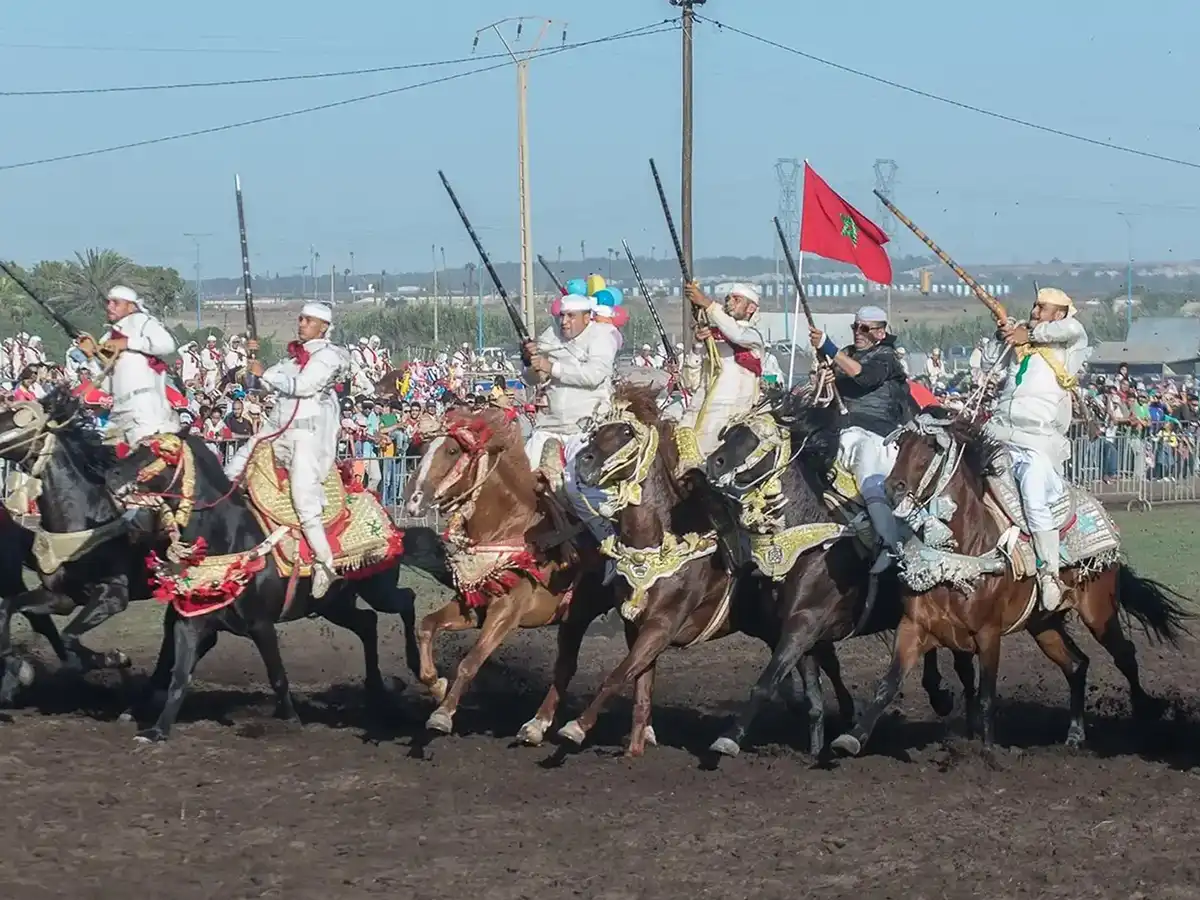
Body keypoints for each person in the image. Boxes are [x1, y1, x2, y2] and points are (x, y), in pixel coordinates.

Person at [228, 303, 350, 598]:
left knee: (302, 496)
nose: (302, 323)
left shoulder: (330, 356)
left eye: (308, 320)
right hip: (276, 427)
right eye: (301, 318)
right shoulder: (291, 359)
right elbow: (262, 382)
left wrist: (265, 375)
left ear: (323, 326)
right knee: (235, 466)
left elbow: (304, 386)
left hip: (308, 437)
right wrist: (251, 365)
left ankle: (325, 562)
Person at [981, 287, 1090, 611]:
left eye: (1042, 307)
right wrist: (1002, 334)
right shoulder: (1023, 344)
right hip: (998, 432)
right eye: (1034, 306)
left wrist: (1026, 331)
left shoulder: (1071, 341)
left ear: (1059, 313)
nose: (1035, 310)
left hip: (1039, 442)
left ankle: (1049, 575)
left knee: (1032, 489)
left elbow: (1071, 329)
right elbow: (990, 362)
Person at [808, 305, 916, 573]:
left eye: (865, 328)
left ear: (880, 332)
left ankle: (890, 545)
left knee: (868, 479)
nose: (858, 333)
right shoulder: (846, 355)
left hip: (877, 436)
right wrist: (827, 374)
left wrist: (828, 346)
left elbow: (864, 376)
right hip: (842, 432)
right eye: (856, 327)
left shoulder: (887, 357)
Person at [522, 292, 617, 542]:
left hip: (586, 428)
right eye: (562, 315)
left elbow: (594, 375)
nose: (564, 321)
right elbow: (533, 378)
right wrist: (529, 362)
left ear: (587, 317)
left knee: (576, 490)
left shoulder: (602, 336)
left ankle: (607, 541)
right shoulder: (550, 336)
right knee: (521, 481)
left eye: (570, 316)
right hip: (548, 426)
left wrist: (551, 366)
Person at [78, 285, 180, 447]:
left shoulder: (142, 322)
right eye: (108, 302)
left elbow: (167, 345)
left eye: (116, 303)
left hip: (144, 408)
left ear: (131, 306)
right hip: (118, 410)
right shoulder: (107, 337)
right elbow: (105, 386)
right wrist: (91, 358)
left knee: (147, 460)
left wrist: (127, 343)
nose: (109, 306)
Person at [677, 282, 765, 460]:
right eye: (728, 299)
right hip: (695, 422)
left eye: (736, 299)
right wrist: (697, 346)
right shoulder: (713, 338)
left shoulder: (752, 337)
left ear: (751, 308)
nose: (730, 302)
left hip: (729, 424)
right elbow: (690, 383)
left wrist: (708, 304)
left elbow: (736, 334)